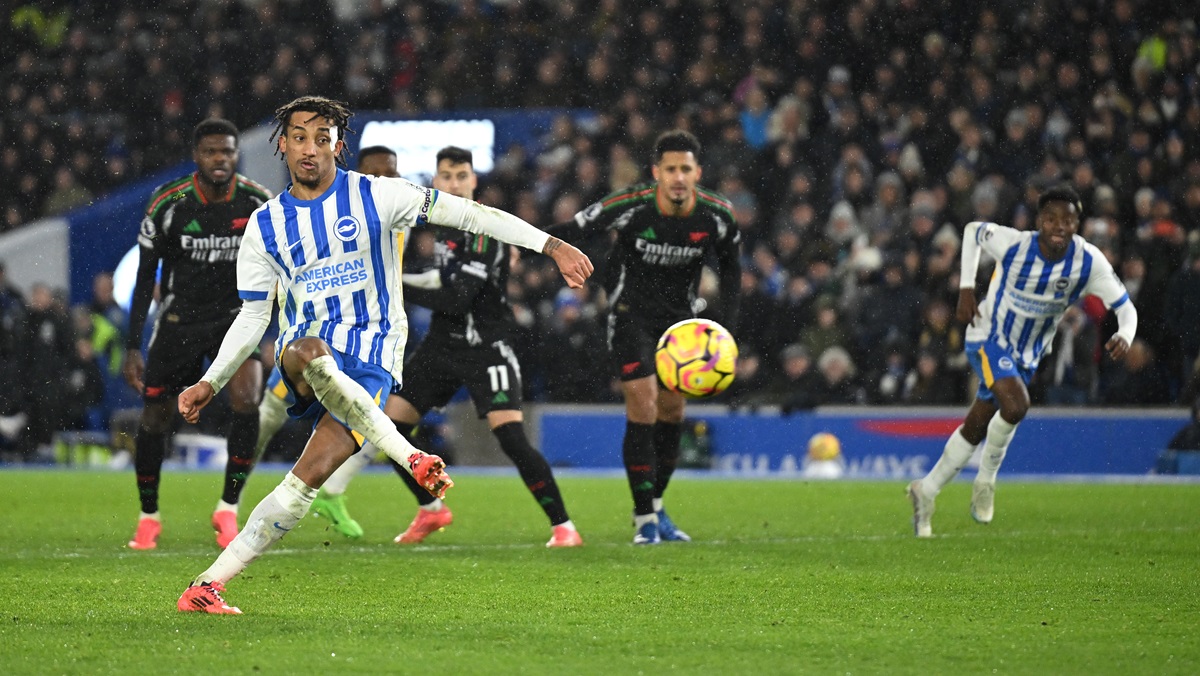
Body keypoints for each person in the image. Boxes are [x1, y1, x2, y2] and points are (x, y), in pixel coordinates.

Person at [175, 95, 591, 614]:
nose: (310, 148)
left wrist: (551, 246)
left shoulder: (381, 195)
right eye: (299, 137)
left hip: (371, 361)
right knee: (308, 350)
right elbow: (255, 315)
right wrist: (210, 382)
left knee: (307, 478)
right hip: (304, 353)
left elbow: (472, 215)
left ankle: (207, 586)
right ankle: (410, 456)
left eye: (322, 138)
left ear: (338, 145)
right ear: (282, 145)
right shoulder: (265, 224)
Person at [308, 146, 583, 548]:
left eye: (461, 176)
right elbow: (436, 283)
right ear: (435, 182)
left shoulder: (486, 230)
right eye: (446, 177)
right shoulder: (438, 225)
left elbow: (457, 297)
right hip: (441, 346)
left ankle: (564, 527)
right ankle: (431, 510)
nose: (453, 183)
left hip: (485, 346)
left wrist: (394, 283)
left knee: (511, 439)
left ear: (474, 182)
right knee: (391, 430)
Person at [907, 185, 1137, 537]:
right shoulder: (1014, 244)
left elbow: (1126, 309)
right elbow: (972, 232)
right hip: (988, 336)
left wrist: (1125, 333)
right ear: (1039, 222)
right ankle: (985, 481)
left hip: (1027, 354)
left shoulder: (1088, 262)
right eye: (1051, 219)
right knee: (1016, 406)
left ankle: (927, 489)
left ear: (1078, 223)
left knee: (978, 424)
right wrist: (966, 289)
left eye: (1068, 220)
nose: (1059, 226)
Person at [550, 130, 741, 545]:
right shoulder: (630, 205)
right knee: (644, 401)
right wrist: (525, 243)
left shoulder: (717, 215)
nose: (677, 177)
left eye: (685, 169)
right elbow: (575, 228)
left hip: (680, 326)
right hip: (629, 315)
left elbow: (731, 271)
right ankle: (644, 521)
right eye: (670, 169)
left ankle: (655, 505)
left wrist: (729, 329)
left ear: (697, 173)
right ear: (656, 173)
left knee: (672, 413)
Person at [122, 118, 273, 551]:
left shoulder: (257, 202)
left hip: (235, 320)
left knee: (248, 401)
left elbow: (278, 270)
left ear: (235, 154)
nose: (220, 159)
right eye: (211, 152)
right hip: (178, 322)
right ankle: (148, 516)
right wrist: (133, 344)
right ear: (197, 156)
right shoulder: (169, 204)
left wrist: (270, 328)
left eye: (227, 151)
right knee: (155, 419)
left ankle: (227, 509)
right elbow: (144, 277)